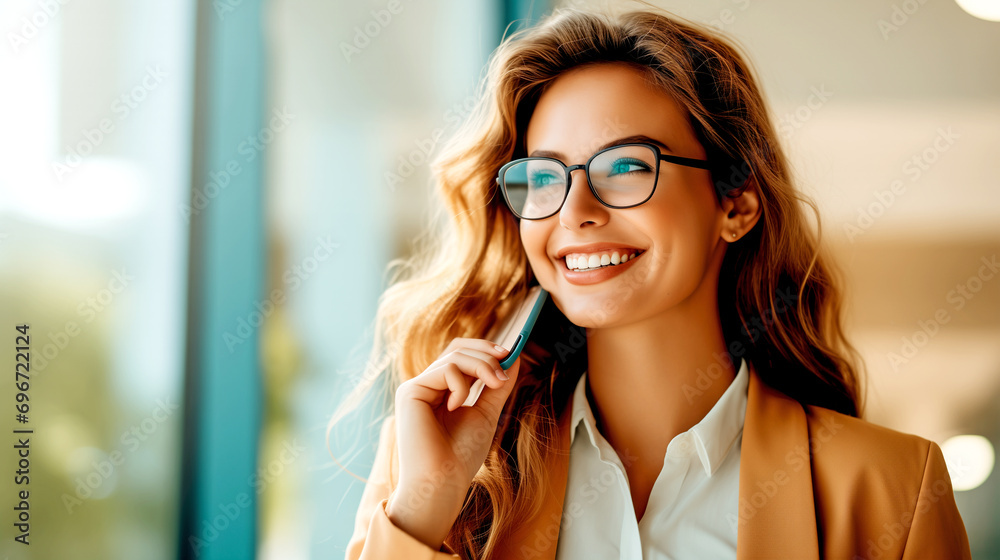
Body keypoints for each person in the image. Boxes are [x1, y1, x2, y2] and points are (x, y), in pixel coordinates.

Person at [339, 5, 972, 559]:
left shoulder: (893, 488)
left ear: (736, 204)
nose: (575, 209)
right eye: (543, 176)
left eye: (625, 167)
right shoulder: (434, 464)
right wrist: (423, 509)